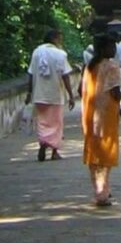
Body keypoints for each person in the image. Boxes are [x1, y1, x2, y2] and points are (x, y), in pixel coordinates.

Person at [82, 34, 121, 207]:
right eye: (111, 46)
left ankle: (100, 188)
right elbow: (115, 92)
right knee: (106, 152)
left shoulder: (90, 66)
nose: (114, 49)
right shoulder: (111, 66)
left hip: (90, 114)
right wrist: (119, 101)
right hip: (106, 115)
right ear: (104, 48)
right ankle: (102, 192)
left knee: (94, 152)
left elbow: (82, 90)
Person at [25, 29, 75, 161]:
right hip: (56, 95)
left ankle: (42, 144)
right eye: (59, 38)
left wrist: (29, 92)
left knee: (42, 122)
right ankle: (54, 151)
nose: (60, 41)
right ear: (54, 39)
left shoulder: (36, 52)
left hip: (39, 94)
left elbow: (30, 74)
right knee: (56, 123)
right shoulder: (60, 54)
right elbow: (65, 76)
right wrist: (71, 95)